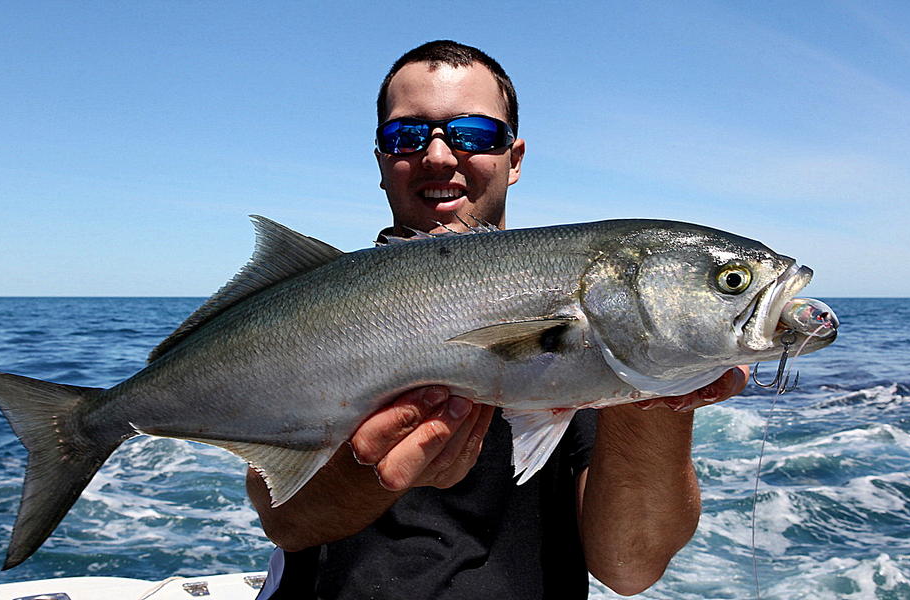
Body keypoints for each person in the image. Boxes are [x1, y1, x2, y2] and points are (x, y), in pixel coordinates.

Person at [246, 40, 749, 599]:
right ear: (382, 160)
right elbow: (286, 522)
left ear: (515, 158)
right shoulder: (314, 316)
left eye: (475, 134)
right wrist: (367, 475)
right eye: (406, 135)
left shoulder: (586, 308)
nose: (439, 156)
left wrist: (660, 391)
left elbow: (630, 567)